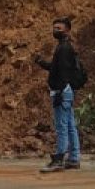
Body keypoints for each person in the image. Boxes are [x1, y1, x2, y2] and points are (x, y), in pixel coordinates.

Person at [34, 18, 83, 173]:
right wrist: (42, 63)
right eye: (54, 28)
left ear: (67, 30)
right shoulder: (65, 47)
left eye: (59, 28)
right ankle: (74, 158)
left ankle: (59, 159)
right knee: (70, 125)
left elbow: (62, 72)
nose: (56, 30)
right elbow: (56, 68)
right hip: (66, 90)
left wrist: (60, 91)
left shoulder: (63, 49)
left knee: (62, 126)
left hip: (62, 91)